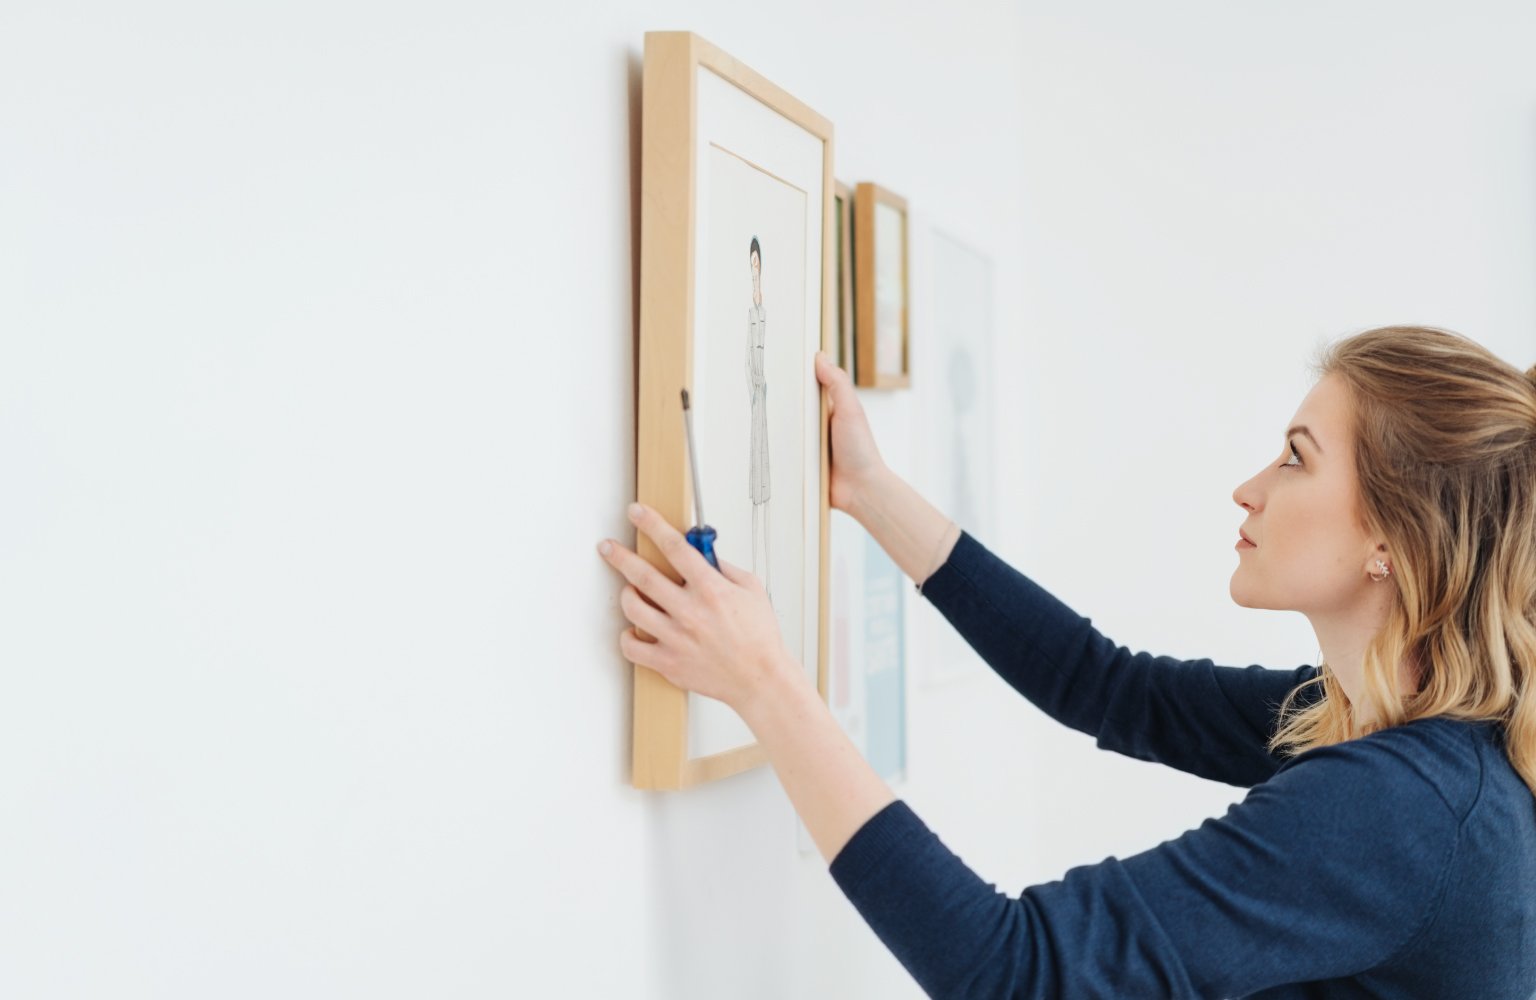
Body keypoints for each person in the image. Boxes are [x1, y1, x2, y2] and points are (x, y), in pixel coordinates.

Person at [596, 326, 1536, 998]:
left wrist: (767, 684)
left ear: (1394, 541)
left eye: (1295, 459)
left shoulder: (1403, 808)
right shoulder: (1401, 737)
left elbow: (1012, 973)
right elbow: (1104, 684)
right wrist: (872, 493)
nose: (1248, 489)